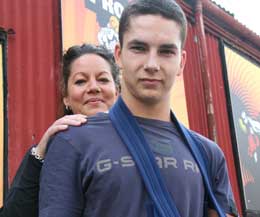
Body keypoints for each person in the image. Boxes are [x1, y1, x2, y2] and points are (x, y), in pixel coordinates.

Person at [39, 0, 238, 217]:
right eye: (139, 48)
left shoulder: (208, 154)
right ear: (118, 55)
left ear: (181, 62)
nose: (151, 64)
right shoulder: (73, 142)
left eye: (166, 51)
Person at [0, 44, 119, 217]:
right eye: (80, 81)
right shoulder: (59, 145)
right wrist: (40, 151)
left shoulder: (141, 138)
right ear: (66, 99)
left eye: (103, 79)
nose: (93, 87)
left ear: (117, 91)